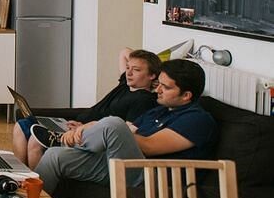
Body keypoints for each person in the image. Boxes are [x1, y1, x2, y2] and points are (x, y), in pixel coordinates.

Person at [33, 59, 217, 193]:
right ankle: (62, 145)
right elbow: (130, 129)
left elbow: (150, 146)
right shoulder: (160, 110)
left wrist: (101, 128)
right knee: (55, 156)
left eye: (166, 87)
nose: (158, 90)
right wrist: (93, 127)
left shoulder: (198, 120)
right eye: (159, 84)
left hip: (153, 177)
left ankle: (64, 140)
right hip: (121, 164)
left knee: (113, 123)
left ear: (186, 95)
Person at [13, 47, 161, 168]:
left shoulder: (144, 99)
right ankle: (20, 177)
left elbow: (125, 131)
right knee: (21, 126)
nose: (129, 73)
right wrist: (140, 61)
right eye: (128, 67)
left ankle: (35, 187)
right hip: (74, 123)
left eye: (136, 70)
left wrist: (84, 128)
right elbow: (124, 52)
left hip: (84, 135)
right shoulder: (126, 83)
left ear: (152, 75)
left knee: (35, 141)